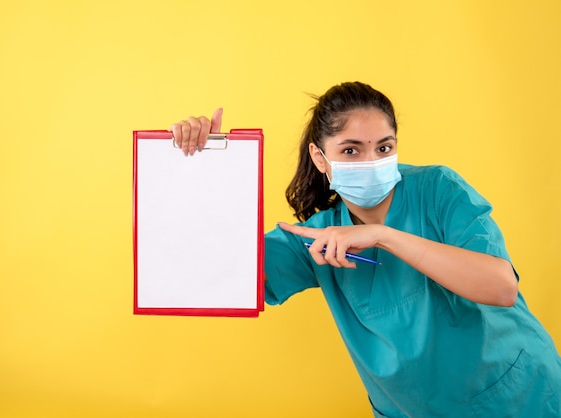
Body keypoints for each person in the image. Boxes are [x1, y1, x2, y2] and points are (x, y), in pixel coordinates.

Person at [170, 82, 561, 417]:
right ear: (320, 158)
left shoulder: (438, 189)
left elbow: (501, 287)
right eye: (351, 151)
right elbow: (210, 271)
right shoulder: (315, 238)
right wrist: (203, 169)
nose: (371, 161)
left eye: (383, 147)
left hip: (514, 397)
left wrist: (382, 236)